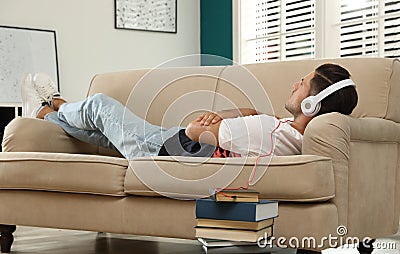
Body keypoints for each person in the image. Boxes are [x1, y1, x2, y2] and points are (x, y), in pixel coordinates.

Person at [21, 63, 358, 160]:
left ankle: (59, 103)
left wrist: (217, 121)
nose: (293, 85)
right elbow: (243, 113)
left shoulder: (268, 130)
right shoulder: (283, 131)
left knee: (98, 105)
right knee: (100, 133)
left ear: (312, 104)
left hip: (161, 150)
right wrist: (236, 116)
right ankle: (46, 113)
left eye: (301, 84)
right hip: (169, 144)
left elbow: (195, 129)